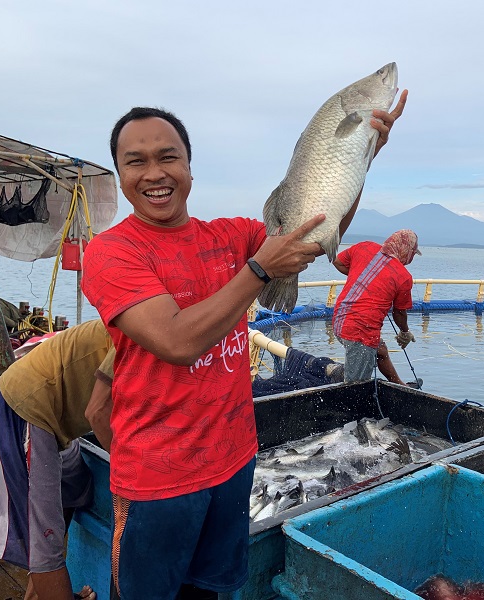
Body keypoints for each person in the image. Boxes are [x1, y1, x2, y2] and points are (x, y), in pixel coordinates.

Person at [80, 93, 407, 600]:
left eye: (168, 157)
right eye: (135, 161)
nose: (154, 173)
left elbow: (314, 232)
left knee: (210, 591)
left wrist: (360, 154)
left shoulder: (230, 234)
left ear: (189, 167)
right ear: (120, 174)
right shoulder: (112, 251)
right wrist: (258, 270)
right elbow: (175, 341)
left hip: (233, 461)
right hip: (157, 477)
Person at [0, 319, 115, 600]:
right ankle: (49, 578)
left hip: (54, 421)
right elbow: (98, 413)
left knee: (77, 486)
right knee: (45, 535)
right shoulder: (137, 334)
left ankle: (39, 591)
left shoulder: (143, 325)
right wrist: (132, 474)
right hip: (24, 411)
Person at [331, 229, 420, 385]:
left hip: (339, 319)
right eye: (412, 253)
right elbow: (399, 313)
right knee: (357, 386)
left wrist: (362, 279)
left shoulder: (364, 246)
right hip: (360, 332)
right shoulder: (403, 277)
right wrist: (405, 332)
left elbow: (338, 261)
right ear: (407, 250)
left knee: (381, 351)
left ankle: (400, 385)